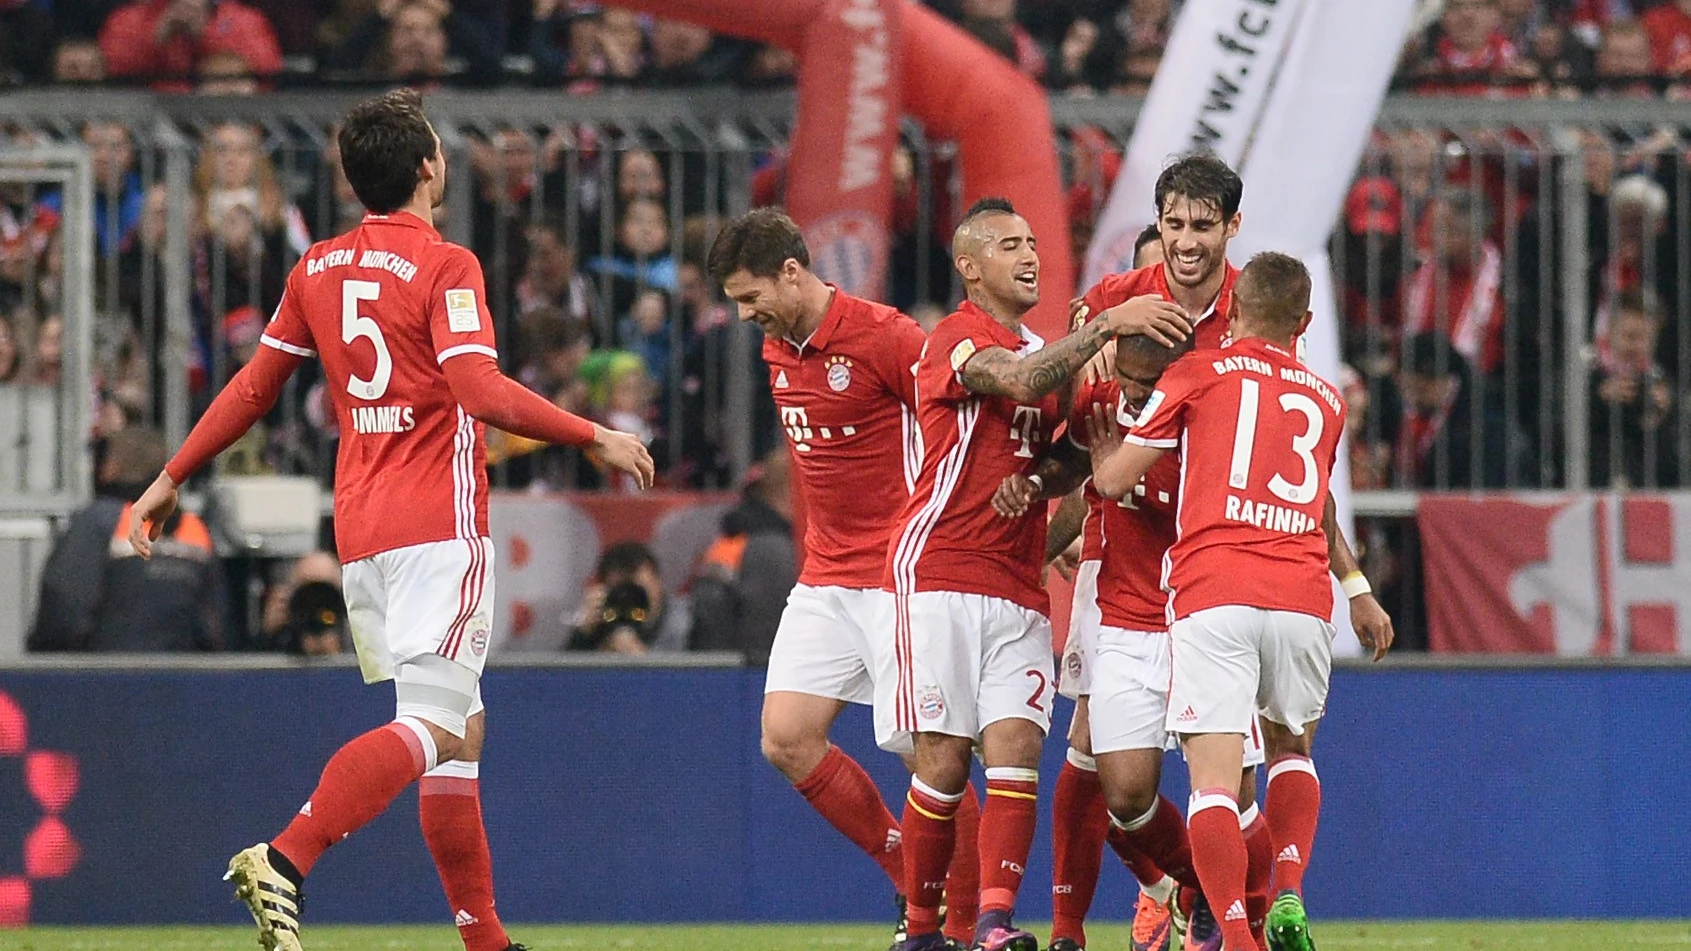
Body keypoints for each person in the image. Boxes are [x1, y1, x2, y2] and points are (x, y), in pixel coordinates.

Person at [126, 88, 653, 951]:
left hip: (363, 530)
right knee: (437, 727)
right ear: (426, 168)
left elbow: (255, 386)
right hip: (439, 527)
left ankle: (486, 941)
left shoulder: (319, 267)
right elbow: (479, 392)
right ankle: (285, 857)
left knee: (458, 733)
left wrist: (169, 473)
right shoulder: (448, 265)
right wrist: (594, 431)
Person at [881, 197, 1190, 951]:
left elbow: (1061, 452)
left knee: (1017, 750)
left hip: (1016, 581)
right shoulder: (954, 339)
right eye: (1008, 244)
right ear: (969, 266)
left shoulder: (1042, 352)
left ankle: (991, 922)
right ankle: (920, 930)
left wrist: (1058, 468)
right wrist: (1106, 326)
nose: (1028, 255)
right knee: (946, 762)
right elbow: (1014, 383)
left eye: (1031, 241)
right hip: (940, 572)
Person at [705, 207, 978, 949]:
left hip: (899, 574)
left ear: (792, 272)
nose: (743, 313)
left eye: (749, 294)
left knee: (934, 753)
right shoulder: (776, 348)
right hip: (825, 577)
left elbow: (957, 427)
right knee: (786, 737)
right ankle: (907, 875)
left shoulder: (886, 336)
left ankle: (974, 921)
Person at [1090, 252, 1348, 951]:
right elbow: (1317, 504)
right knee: (1291, 748)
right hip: (1300, 591)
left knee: (1212, 784)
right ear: (1304, 322)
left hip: (1215, 589)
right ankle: (1289, 888)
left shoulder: (1195, 372)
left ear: (1232, 312)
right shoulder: (1328, 400)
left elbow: (1114, 481)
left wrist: (1098, 452)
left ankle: (1236, 935)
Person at [29, 427, 227, 653]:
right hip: (183, 679)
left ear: (112, 467)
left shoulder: (100, 521)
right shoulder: (195, 530)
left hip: (106, 679)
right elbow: (216, 628)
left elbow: (63, 612)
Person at [566, 541, 689, 653]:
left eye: (638, 590)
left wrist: (642, 662)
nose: (630, 599)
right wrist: (583, 633)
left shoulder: (689, 620)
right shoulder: (601, 620)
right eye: (621, 590)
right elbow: (564, 674)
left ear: (658, 582)